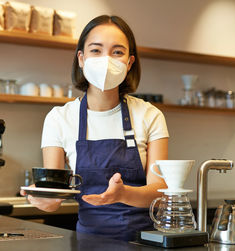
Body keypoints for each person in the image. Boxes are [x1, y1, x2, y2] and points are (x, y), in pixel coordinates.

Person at [21, 15, 169, 241]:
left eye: (117, 52)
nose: (106, 60)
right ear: (81, 58)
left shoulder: (150, 115)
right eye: (96, 50)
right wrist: (44, 198)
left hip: (146, 242)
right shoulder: (59, 119)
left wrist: (123, 194)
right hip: (88, 241)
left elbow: (160, 193)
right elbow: (53, 197)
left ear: (129, 63)